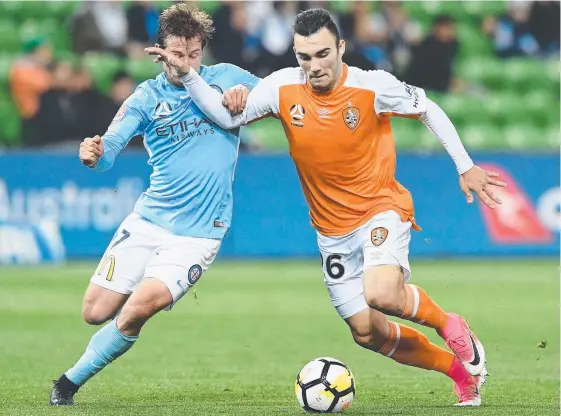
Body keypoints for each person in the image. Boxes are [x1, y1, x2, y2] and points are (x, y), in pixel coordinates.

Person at [147, 8, 508, 407]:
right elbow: (224, 117)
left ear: (340, 48)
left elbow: (428, 108)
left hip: (380, 207)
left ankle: (451, 324)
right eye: (304, 57)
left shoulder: (373, 86)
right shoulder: (281, 88)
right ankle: (459, 374)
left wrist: (466, 165)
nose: (314, 66)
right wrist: (189, 74)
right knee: (367, 332)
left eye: (322, 54)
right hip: (331, 230)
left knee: (382, 294)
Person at [49, 2, 259, 405]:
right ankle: (138, 300)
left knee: (140, 307)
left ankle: (66, 384)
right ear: (159, 51)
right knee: (94, 312)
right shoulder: (145, 97)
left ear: (203, 51)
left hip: (199, 234)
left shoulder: (227, 77)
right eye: (178, 54)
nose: (186, 62)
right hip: (149, 220)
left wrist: (244, 94)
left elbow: (274, 93)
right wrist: (94, 152)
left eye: (194, 54)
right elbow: (109, 150)